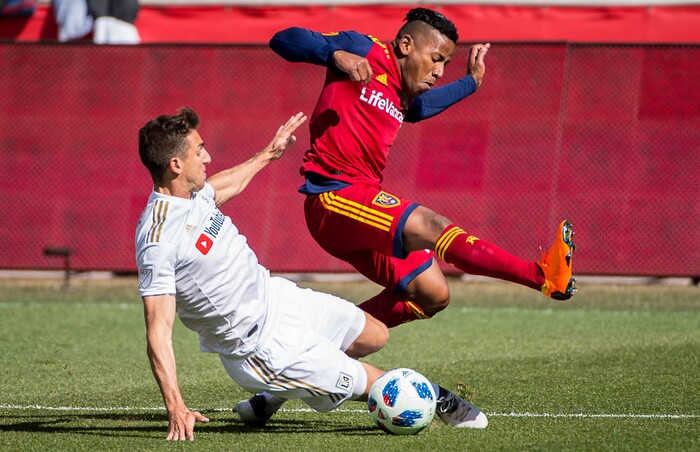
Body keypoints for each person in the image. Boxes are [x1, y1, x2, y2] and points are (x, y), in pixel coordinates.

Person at [135, 107, 488, 441]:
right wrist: (176, 406)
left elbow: (220, 188)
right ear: (176, 164)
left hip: (279, 299)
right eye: (200, 151)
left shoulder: (193, 194)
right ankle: (441, 399)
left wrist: (267, 155)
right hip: (261, 347)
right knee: (380, 386)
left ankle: (272, 397)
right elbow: (158, 331)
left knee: (374, 335)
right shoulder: (158, 239)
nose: (208, 157)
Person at [269, 8, 576, 328]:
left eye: (445, 64)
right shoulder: (364, 48)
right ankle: (541, 275)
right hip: (332, 196)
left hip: (360, 202)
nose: (439, 71)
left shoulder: (402, 93)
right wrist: (335, 54)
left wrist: (471, 82)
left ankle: (323, 341)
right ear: (406, 45)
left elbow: (421, 107)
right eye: (436, 59)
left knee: (433, 293)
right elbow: (283, 40)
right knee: (432, 225)